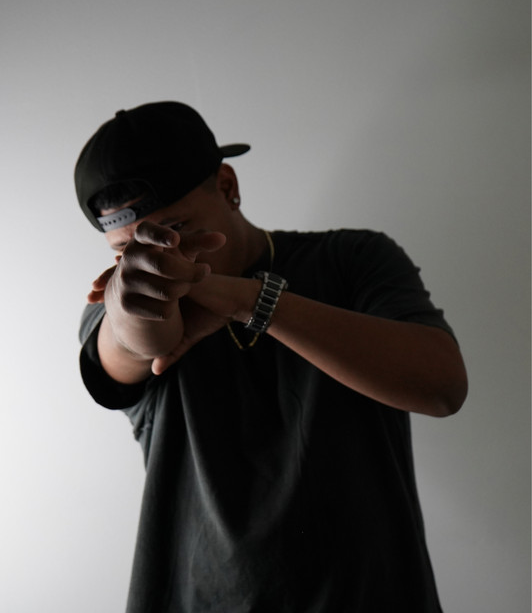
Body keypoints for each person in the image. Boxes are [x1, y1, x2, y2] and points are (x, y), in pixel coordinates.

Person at [75, 101, 468, 613]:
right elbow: (133, 344)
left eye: (175, 230)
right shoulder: (116, 303)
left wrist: (252, 301)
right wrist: (134, 297)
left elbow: (442, 386)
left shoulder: (352, 260)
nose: (160, 260)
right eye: (127, 250)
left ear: (227, 185)